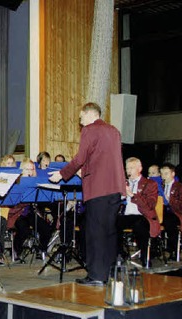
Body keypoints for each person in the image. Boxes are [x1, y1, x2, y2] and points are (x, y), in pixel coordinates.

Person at [48, 102, 124, 286]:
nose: (80, 122)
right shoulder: (114, 131)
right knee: (109, 232)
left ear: (89, 114)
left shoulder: (90, 130)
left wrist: (62, 173)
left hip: (98, 189)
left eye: (81, 117)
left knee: (95, 232)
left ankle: (97, 276)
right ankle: (111, 273)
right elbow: (103, 159)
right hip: (115, 189)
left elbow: (81, 158)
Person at [116, 157, 160, 267]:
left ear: (139, 168)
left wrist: (132, 195)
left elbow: (150, 205)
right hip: (125, 215)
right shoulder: (123, 183)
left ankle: (145, 256)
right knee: (112, 223)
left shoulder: (150, 184)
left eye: (132, 168)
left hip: (143, 215)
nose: (128, 171)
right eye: (127, 168)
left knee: (140, 225)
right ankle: (120, 254)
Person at [160, 163, 182, 260]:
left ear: (173, 174)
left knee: (169, 221)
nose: (163, 176)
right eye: (162, 174)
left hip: (177, 214)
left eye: (166, 173)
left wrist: (169, 200)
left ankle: (172, 249)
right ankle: (154, 249)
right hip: (163, 213)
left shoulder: (181, 187)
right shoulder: (159, 187)